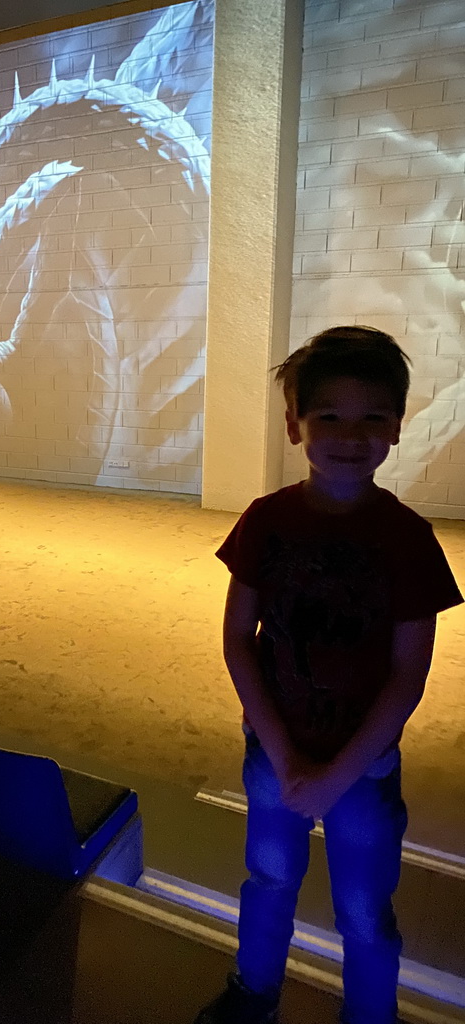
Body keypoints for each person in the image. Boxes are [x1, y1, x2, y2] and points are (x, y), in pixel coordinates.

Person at [194, 326, 463, 1024]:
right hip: (275, 758)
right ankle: (254, 992)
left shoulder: (409, 539)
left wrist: (335, 774)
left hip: (363, 771)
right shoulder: (265, 522)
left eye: (372, 416)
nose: (351, 435)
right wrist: (287, 761)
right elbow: (236, 640)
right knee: (269, 878)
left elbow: (407, 678)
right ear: (295, 425)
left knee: (365, 908)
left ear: (397, 428)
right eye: (330, 417)